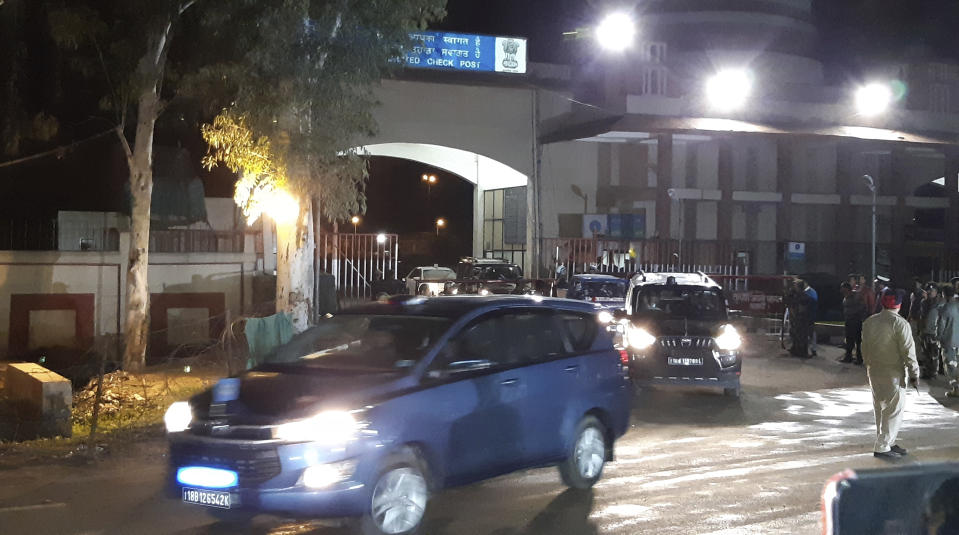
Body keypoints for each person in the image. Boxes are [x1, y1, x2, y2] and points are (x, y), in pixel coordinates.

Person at [861, 290, 920, 460]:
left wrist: (868, 364)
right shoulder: (900, 324)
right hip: (893, 372)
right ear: (900, 305)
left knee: (880, 408)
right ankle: (882, 446)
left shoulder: (870, 321)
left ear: (882, 303)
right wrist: (914, 373)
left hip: (874, 370)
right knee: (894, 410)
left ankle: (888, 441)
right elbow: (909, 352)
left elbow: (864, 347)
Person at [937, 285, 959, 398]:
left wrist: (938, 338)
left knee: (950, 366)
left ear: (944, 294)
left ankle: (956, 389)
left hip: (949, 341)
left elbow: (941, 327)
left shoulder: (946, 308)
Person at [919, 284, 943, 380]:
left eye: (932, 290)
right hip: (925, 331)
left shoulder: (940, 304)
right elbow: (921, 316)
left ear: (936, 292)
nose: (929, 292)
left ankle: (933, 373)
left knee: (934, 354)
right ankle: (926, 372)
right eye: (928, 290)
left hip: (934, 332)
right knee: (925, 353)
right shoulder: (924, 302)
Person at [840, 282, 866, 364]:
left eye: (843, 288)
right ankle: (848, 357)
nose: (841, 290)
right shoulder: (846, 297)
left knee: (858, 341)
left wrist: (852, 313)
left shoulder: (856, 296)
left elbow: (862, 307)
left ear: (847, 288)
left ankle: (859, 358)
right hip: (848, 321)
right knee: (849, 340)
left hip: (856, 322)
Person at [801, 280, 820, 357]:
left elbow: (812, 303)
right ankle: (812, 348)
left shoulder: (810, 292)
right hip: (809, 315)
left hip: (809, 315)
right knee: (810, 332)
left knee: (810, 332)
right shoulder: (809, 291)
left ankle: (812, 349)